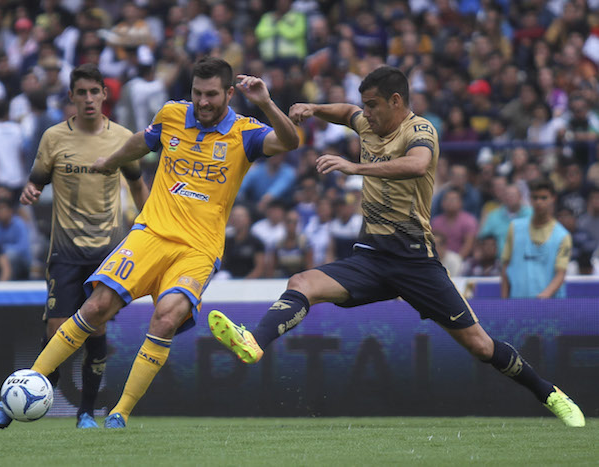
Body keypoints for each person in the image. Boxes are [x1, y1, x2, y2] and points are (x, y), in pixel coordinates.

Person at [208, 65, 585, 427]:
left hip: (415, 262)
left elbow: (418, 165)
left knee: (482, 347)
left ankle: (550, 394)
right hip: (371, 256)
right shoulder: (367, 124)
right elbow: (346, 112)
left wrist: (355, 168)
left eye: (372, 105)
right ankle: (254, 341)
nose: (365, 113)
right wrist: (315, 108)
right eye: (365, 106)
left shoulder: (419, 130)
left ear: (395, 101)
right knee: (301, 282)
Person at [0, 57, 299, 429]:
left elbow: (289, 141)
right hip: (150, 233)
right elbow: (144, 140)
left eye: (212, 95)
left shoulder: (246, 132)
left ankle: (119, 412)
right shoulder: (172, 115)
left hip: (197, 250)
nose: (203, 102)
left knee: (166, 318)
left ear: (230, 93)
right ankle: (23, 388)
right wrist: (113, 160)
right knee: (97, 306)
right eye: (197, 94)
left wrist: (265, 102)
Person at [0, 64, 150, 429]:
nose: (89, 99)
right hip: (64, 251)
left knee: (95, 329)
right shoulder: (53, 138)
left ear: (104, 95)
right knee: (57, 331)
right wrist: (30, 191)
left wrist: (150, 221)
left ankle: (85, 413)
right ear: (72, 97)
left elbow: (139, 184)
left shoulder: (123, 138)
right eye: (82, 93)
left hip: (107, 253)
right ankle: (28, 392)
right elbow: (35, 182)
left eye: (96, 91)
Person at [501, 179, 572, 299]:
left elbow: (561, 273)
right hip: (517, 305)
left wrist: (543, 298)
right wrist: (504, 302)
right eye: (535, 197)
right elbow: (505, 268)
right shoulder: (514, 228)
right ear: (530, 199)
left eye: (544, 198)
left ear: (553, 198)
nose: (539, 202)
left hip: (550, 308)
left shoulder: (563, 236)